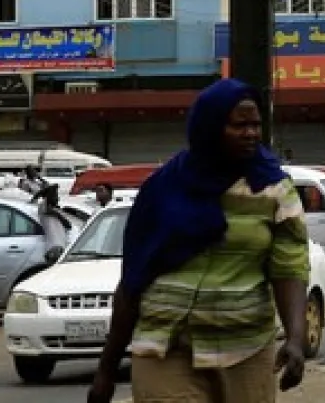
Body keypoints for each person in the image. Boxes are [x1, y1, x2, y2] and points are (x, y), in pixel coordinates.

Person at [88, 78, 309, 403]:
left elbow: (289, 269)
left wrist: (295, 338)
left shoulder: (273, 189)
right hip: (165, 347)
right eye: (239, 125)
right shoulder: (163, 189)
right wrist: (106, 370)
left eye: (256, 125)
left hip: (244, 349)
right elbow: (133, 280)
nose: (251, 133)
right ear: (209, 127)